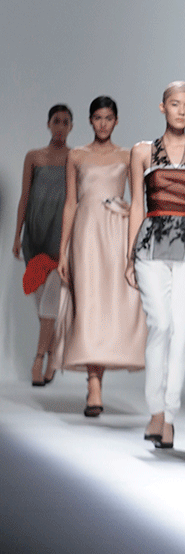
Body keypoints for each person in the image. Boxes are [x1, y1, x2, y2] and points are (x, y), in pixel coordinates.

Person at [126, 82, 185, 449]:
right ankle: (155, 410)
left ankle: (169, 416)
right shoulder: (142, 151)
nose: (181, 111)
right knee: (160, 325)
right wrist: (128, 255)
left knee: (180, 332)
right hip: (150, 245)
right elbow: (136, 204)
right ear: (162, 107)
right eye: (175, 104)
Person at [55, 97, 147, 415]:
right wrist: (62, 251)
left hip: (117, 233)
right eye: (97, 117)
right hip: (85, 233)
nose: (103, 123)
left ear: (116, 121)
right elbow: (70, 203)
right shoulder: (76, 155)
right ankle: (94, 384)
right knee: (88, 302)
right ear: (90, 121)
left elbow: (138, 202)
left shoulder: (127, 155)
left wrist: (135, 246)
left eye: (108, 118)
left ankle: (98, 379)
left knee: (113, 305)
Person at [13, 105, 73, 385]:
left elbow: (77, 200)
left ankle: (39, 361)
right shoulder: (34, 157)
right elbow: (24, 196)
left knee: (51, 300)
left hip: (60, 237)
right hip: (35, 236)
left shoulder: (75, 158)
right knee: (43, 305)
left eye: (65, 122)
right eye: (56, 121)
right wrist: (17, 235)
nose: (60, 126)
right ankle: (52, 354)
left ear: (71, 127)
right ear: (48, 124)